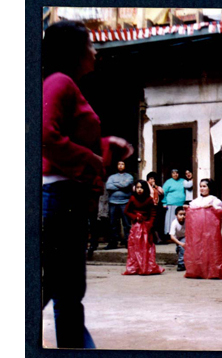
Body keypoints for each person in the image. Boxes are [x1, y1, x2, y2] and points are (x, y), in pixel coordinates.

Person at [42, 20, 133, 348]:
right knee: (60, 290)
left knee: (64, 291)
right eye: (90, 45)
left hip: (69, 197)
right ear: (74, 51)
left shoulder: (67, 85)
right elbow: (45, 137)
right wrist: (95, 160)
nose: (95, 51)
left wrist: (108, 144)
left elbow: (71, 141)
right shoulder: (59, 82)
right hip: (59, 195)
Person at [185, 179, 222, 279]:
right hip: (198, 232)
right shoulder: (195, 201)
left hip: (210, 232)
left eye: (204, 186)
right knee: (198, 250)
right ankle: (198, 271)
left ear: (210, 188)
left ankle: (212, 271)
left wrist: (211, 207)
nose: (202, 188)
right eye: (200, 186)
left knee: (211, 250)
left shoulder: (215, 200)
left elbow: (219, 213)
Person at [122, 180, 164, 275]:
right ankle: (135, 267)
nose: (139, 190)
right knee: (135, 247)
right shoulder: (132, 198)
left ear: (145, 189)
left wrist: (150, 224)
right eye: (137, 187)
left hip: (146, 226)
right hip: (136, 226)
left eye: (141, 187)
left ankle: (146, 266)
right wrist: (135, 217)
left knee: (146, 247)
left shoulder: (149, 199)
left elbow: (153, 213)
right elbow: (126, 211)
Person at [104, 161, 134, 249]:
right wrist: (120, 185)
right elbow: (108, 186)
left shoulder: (129, 176)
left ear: (125, 166)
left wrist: (115, 184)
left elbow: (125, 185)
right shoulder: (112, 177)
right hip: (113, 203)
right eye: (119, 164)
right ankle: (113, 243)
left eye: (122, 164)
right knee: (113, 224)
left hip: (125, 202)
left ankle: (128, 242)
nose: (120, 166)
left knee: (126, 224)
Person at [162, 169, 185, 240]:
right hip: (171, 205)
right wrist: (164, 203)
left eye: (177, 173)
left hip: (181, 205)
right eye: (173, 173)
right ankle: (170, 237)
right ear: (171, 174)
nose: (175, 174)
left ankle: (180, 235)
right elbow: (163, 193)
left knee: (180, 220)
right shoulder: (168, 182)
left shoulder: (183, 181)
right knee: (171, 221)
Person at [146, 171, 165, 244]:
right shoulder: (146, 186)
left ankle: (158, 238)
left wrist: (155, 187)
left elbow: (161, 192)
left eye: (153, 179)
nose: (152, 180)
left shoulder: (157, 187)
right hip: (149, 206)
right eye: (150, 179)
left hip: (156, 206)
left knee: (157, 223)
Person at [169, 206, 187, 272]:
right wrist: (180, 243)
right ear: (176, 215)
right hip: (178, 239)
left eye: (184, 214)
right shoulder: (174, 223)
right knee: (179, 248)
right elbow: (172, 236)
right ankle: (182, 262)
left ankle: (181, 263)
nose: (182, 216)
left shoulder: (187, 221)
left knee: (182, 247)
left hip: (186, 237)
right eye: (180, 214)